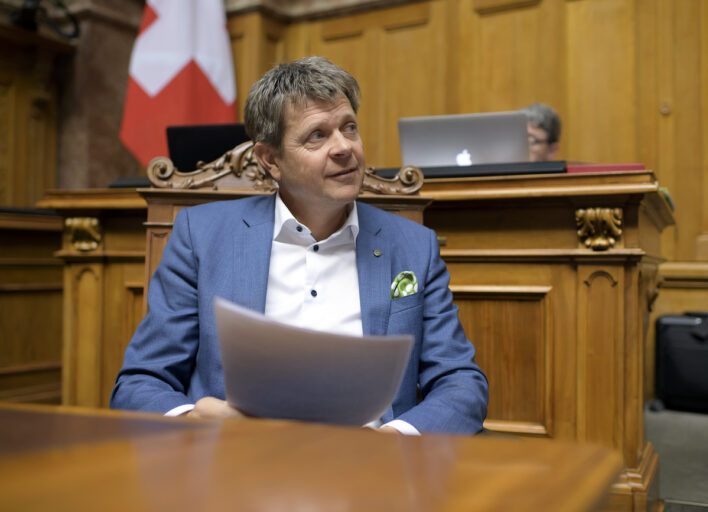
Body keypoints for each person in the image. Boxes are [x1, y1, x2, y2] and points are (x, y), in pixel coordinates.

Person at [110, 56, 488, 435]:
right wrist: (193, 418)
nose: (344, 147)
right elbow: (139, 383)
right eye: (317, 135)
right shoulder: (201, 236)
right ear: (270, 160)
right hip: (238, 461)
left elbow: (461, 383)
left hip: (373, 468)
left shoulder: (412, 246)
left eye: (349, 128)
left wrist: (394, 440)